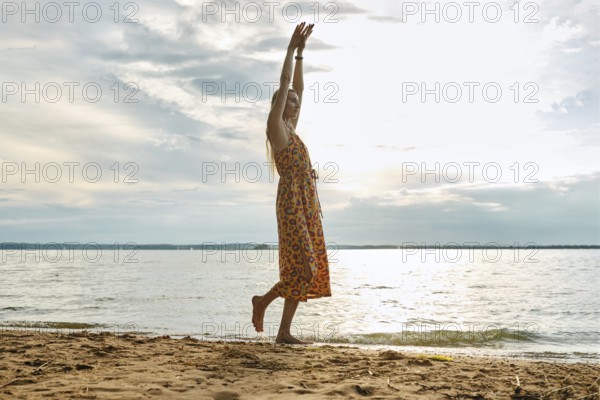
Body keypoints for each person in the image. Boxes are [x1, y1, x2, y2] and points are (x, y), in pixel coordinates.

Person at [251, 22, 332, 344]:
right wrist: (288, 49)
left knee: (303, 268)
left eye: (298, 100)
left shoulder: (291, 128)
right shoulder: (276, 128)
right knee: (306, 270)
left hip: (307, 200)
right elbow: (286, 83)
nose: (297, 102)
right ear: (279, 103)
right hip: (291, 202)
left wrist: (301, 54)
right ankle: (263, 301)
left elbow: (297, 84)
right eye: (291, 99)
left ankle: (284, 332)